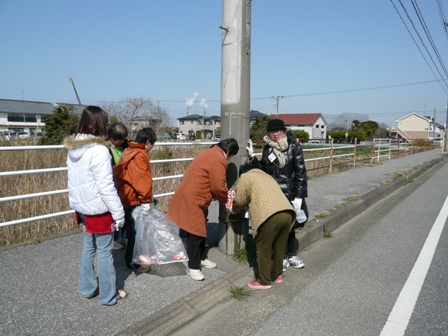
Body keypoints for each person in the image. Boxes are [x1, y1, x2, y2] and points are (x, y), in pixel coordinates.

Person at [64, 105, 128, 306]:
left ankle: (86, 289)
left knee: (88, 248)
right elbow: (106, 187)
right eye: (105, 122)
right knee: (105, 252)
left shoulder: (74, 147)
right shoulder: (99, 151)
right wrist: (119, 214)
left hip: (82, 208)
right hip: (99, 211)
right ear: (98, 124)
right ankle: (109, 296)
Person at [167, 138, 239, 281]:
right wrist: (227, 202)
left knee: (200, 229)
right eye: (231, 156)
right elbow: (218, 187)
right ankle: (193, 267)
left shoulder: (208, 152)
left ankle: (201, 257)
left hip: (191, 195)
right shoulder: (219, 159)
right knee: (196, 233)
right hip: (194, 199)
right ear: (228, 152)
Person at [246, 118, 308, 272]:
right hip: (274, 193)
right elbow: (264, 169)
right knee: (278, 225)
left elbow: (301, 172)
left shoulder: (294, 147)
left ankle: (291, 255)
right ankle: (282, 257)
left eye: (278, 131)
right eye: (272, 131)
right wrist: (253, 157)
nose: (275, 134)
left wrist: (299, 196)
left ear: (283, 131)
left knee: (291, 225)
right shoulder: (268, 149)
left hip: (291, 192)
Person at [231, 163, 296, 289]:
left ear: (242, 173)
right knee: (279, 246)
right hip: (287, 213)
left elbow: (239, 199)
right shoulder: (267, 176)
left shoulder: (246, 176)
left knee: (263, 248)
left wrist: (234, 209)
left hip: (269, 215)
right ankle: (277, 275)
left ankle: (264, 281)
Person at [113, 127, 157, 273]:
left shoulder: (129, 150)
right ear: (148, 142)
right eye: (152, 145)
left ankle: (133, 257)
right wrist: (145, 201)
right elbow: (141, 180)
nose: (151, 149)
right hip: (133, 199)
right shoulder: (139, 154)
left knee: (132, 229)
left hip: (125, 195)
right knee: (134, 231)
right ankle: (132, 261)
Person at [107, 122, 129, 250]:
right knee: (114, 214)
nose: (123, 142)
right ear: (112, 138)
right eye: (121, 140)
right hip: (114, 185)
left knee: (126, 212)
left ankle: (125, 237)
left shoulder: (125, 145)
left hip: (124, 185)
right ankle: (114, 238)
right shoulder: (106, 149)